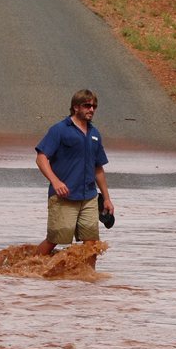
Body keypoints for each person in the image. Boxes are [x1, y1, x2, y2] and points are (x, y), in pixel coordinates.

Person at [35, 89, 115, 256]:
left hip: (89, 197)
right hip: (64, 196)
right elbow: (41, 159)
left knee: (91, 243)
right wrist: (56, 182)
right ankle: (28, 271)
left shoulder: (94, 134)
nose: (91, 109)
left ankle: (87, 279)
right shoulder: (59, 130)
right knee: (54, 239)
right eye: (87, 106)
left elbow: (98, 168)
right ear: (76, 107)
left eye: (94, 106)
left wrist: (107, 198)